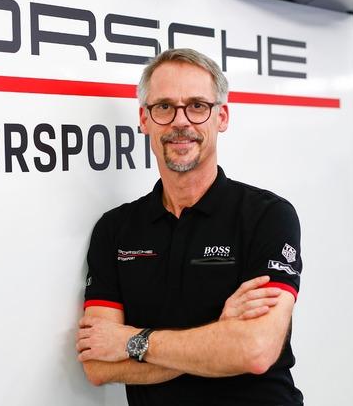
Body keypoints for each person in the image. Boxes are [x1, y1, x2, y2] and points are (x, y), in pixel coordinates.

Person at [76, 48, 304, 405]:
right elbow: (98, 366)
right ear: (144, 119)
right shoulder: (115, 230)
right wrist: (219, 335)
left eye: (197, 106)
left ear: (221, 117)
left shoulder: (267, 216)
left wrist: (132, 342)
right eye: (164, 106)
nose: (180, 121)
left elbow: (256, 350)